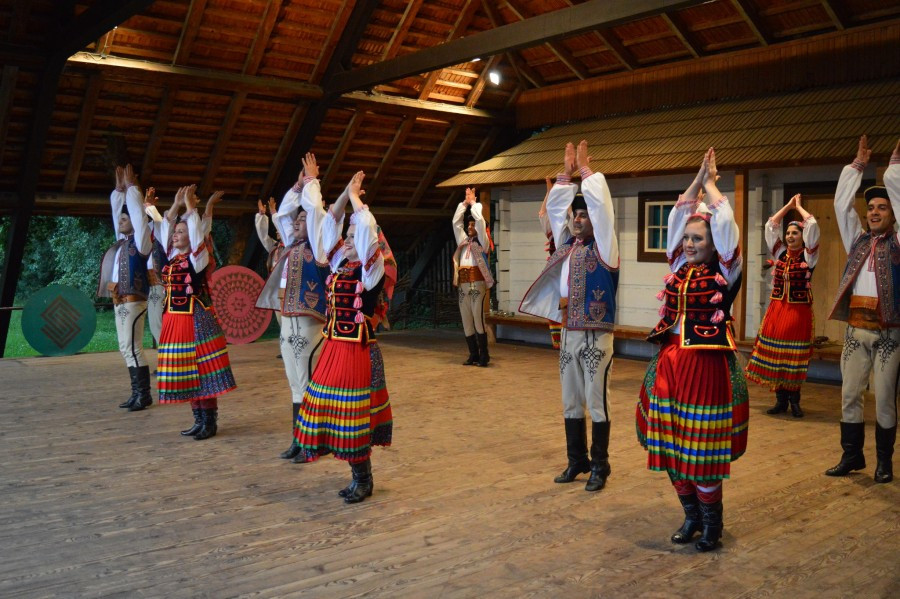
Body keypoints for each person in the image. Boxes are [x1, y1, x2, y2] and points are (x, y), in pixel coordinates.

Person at [636, 148, 748, 552]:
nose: (688, 243)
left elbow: (726, 225)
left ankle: (711, 523)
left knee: (700, 453)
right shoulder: (677, 266)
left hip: (705, 366)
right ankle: (691, 516)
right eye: (687, 237)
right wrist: (696, 181)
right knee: (670, 449)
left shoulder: (725, 269)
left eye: (697, 238)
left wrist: (713, 185)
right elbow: (675, 219)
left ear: (712, 243)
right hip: (671, 363)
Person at [519, 140, 619, 493]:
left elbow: (603, 211)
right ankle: (577, 460)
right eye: (575, 215)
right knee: (570, 399)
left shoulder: (606, 248)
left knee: (596, 400)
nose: (578, 219)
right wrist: (565, 174)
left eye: (584, 214)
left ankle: (600, 465)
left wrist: (586, 171)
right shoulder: (566, 244)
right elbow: (557, 209)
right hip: (569, 332)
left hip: (596, 335)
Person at [293, 161, 393, 504]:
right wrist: (319, 186)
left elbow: (364, 230)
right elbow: (326, 225)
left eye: (352, 239)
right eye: (346, 238)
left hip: (357, 349)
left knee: (352, 413)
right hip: (336, 345)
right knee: (330, 407)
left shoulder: (370, 270)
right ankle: (355, 476)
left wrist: (355, 198)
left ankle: (363, 479)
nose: (347, 241)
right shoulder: (339, 264)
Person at [825, 135, 900, 484]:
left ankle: (884, 462)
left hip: (889, 335)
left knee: (884, 400)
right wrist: (856, 166)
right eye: (871, 208)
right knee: (850, 394)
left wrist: (893, 174)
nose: (873, 212)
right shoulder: (857, 239)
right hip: (856, 330)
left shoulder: (899, 242)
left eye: (882, 208)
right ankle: (852, 455)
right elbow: (842, 205)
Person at [256, 171, 330, 463]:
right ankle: (299, 440)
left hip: (309, 320)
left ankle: (316, 442)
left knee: (309, 379)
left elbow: (316, 215)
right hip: (288, 318)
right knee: (294, 381)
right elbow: (283, 215)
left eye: (302, 221)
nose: (297, 224)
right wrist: (297, 186)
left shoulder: (320, 246)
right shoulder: (290, 245)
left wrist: (313, 184)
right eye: (296, 222)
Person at [156, 185, 236, 440]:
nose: (176, 235)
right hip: (174, 319)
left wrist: (192, 208)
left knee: (202, 370)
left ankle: (209, 421)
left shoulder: (198, 258)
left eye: (182, 232)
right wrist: (177, 204)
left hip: (196, 319)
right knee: (186, 370)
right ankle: (198, 419)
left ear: (191, 235)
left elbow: (198, 234)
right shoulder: (172, 257)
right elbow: (163, 227)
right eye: (175, 232)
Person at [745, 194, 819, 417]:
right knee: (777, 357)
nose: (789, 236)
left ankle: (795, 400)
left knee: (792, 356)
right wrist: (787, 207)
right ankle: (781, 400)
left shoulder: (809, 256)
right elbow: (771, 225)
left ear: (803, 237)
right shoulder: (780, 253)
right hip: (777, 309)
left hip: (797, 311)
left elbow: (813, 225)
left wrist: (799, 208)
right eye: (788, 233)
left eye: (795, 233)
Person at [97, 164, 153, 411]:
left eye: (124, 218)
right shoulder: (121, 243)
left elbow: (140, 218)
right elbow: (115, 213)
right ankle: (136, 393)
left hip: (134, 299)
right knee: (124, 346)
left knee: (133, 346)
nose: (119, 221)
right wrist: (118, 192)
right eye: (119, 219)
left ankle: (144, 395)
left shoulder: (141, 242)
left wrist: (132, 190)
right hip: (120, 298)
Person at [452, 187, 494, 366]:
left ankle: (484, 355)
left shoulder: (482, 242)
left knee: (478, 319)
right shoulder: (462, 242)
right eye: (468, 225)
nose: (470, 228)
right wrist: (463, 204)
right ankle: (473, 354)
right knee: (466, 319)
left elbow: (480, 221)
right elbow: (455, 223)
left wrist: (474, 203)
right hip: (463, 285)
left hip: (477, 284)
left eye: (472, 226)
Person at [538, 177, 569, 350]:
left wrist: (560, 192)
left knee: (566, 303)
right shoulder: (552, 231)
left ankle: (567, 338)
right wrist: (549, 191)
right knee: (555, 306)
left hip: (569, 272)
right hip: (555, 273)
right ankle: (560, 340)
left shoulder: (571, 227)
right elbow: (542, 213)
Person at [143, 187, 168, 357]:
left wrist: (150, 206)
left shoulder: (163, 233)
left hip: (160, 284)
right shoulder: (148, 232)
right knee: (155, 323)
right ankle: (167, 359)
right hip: (151, 284)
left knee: (158, 323)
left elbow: (159, 222)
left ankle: (169, 360)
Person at [255, 197, 286, 326]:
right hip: (278, 288)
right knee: (281, 322)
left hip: (293, 288)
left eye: (281, 228)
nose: (277, 231)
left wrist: (274, 212)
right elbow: (263, 237)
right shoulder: (275, 247)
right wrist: (262, 216)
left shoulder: (294, 247)